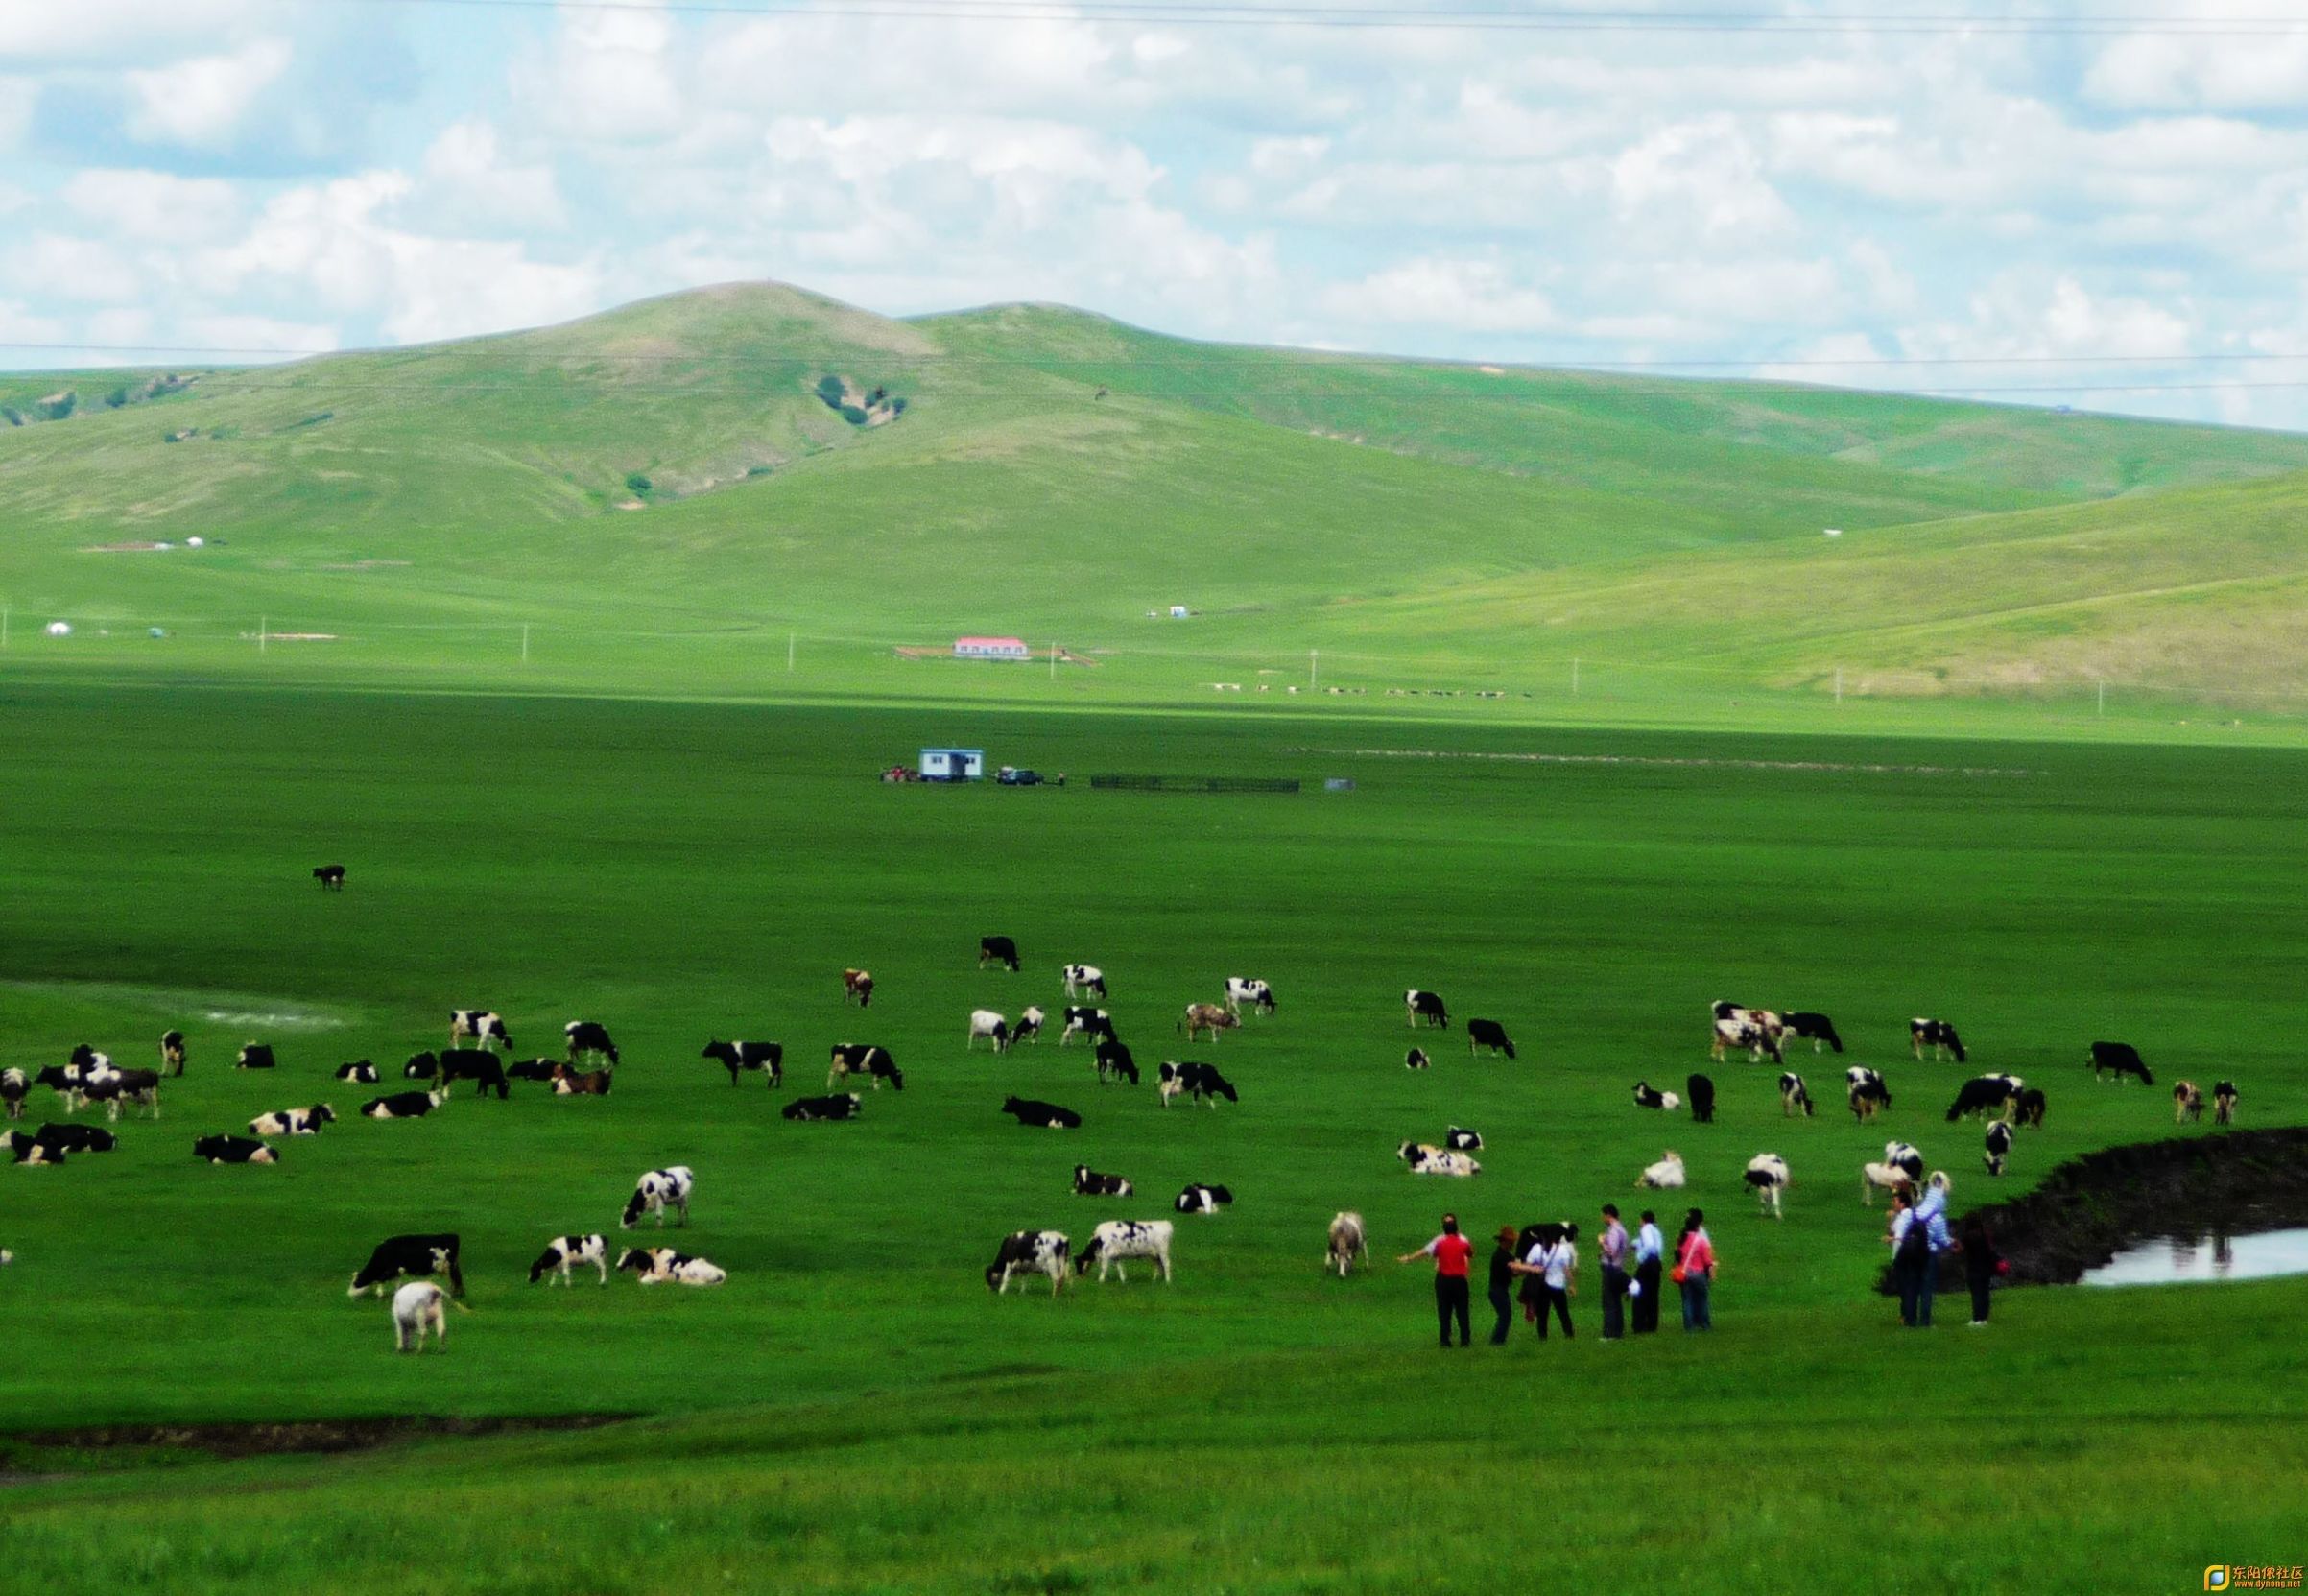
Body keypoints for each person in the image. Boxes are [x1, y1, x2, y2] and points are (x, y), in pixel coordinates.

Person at [1397, 1213, 1473, 1347]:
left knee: (1444, 1310)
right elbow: (1469, 1254)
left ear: (1443, 1229)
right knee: (1462, 1310)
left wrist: (1409, 1258)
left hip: (1444, 1279)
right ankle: (1465, 1339)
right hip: (1459, 1280)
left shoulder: (1440, 1243)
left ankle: (1445, 1339)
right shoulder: (1463, 1242)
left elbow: (1433, 1254)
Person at [1511, 1225, 1577, 1339]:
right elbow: (1567, 1270)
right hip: (1558, 1285)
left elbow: (1528, 1265)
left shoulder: (1536, 1248)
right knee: (1563, 1312)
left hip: (1542, 1286)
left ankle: (1543, 1336)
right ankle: (1569, 1334)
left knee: (1542, 1314)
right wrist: (1571, 1285)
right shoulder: (1561, 1250)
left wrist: (1518, 1269)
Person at [1960, 1212, 2002, 1327]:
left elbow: (1960, 1249)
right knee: (1985, 1293)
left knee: (1976, 1294)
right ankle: (1983, 1318)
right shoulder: (1984, 1235)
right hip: (1986, 1268)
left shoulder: (1967, 1237)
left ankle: (1976, 1318)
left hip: (1973, 1269)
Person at [1675, 1209, 1714, 1330]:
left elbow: (1678, 1255)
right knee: (1702, 1299)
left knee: (1687, 1300)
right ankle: (1705, 1324)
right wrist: (1711, 1272)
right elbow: (1707, 1260)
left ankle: (1689, 1326)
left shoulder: (1682, 1239)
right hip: (1699, 1273)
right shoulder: (1700, 1240)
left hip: (1685, 1273)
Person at [1597, 1204, 1630, 1341]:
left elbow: (1612, 1251)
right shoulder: (1621, 1230)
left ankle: (1610, 1333)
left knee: (1609, 1301)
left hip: (1611, 1269)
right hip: (1618, 1267)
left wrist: (1601, 1243)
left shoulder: (1614, 1231)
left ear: (1609, 1215)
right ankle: (1617, 1330)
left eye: (1603, 1215)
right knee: (1616, 1301)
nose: (1602, 1218)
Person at [1630, 1209, 1664, 1335]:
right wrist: (1634, 1244)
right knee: (1653, 1295)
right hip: (1656, 1264)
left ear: (1643, 1220)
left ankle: (1639, 1325)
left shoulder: (1645, 1229)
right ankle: (1651, 1324)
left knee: (1639, 1293)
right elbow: (1645, 1243)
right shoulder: (1657, 1231)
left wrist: (1641, 1257)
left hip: (1647, 1264)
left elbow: (1649, 1245)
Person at [1487, 1225, 1518, 1346]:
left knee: (1505, 1315)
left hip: (1499, 1289)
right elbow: (1515, 1271)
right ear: (1506, 1242)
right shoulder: (1502, 1256)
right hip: (1498, 1290)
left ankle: (1498, 1340)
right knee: (1505, 1315)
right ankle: (1497, 1341)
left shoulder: (1503, 1254)